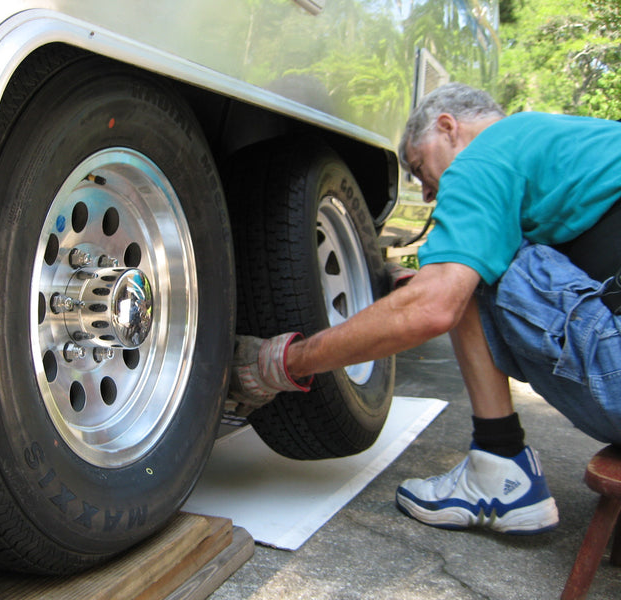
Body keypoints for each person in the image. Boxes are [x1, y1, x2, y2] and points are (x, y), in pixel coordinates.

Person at [228, 82, 621, 534]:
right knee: (470, 261)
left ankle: (499, 471)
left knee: (468, 271)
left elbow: (432, 310)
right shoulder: (566, 138)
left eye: (418, 168)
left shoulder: (487, 154)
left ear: (448, 127)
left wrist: (283, 362)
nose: (428, 194)